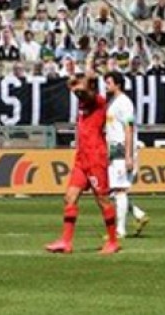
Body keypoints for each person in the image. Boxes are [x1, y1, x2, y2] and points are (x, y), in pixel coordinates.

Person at [46, 75, 120, 254]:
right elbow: (76, 88)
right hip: (82, 158)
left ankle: (113, 241)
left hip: (95, 158)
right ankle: (65, 242)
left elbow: (83, 89)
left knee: (103, 200)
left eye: (81, 86)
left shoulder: (98, 101)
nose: (77, 91)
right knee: (70, 197)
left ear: (92, 88)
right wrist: (74, 82)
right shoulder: (82, 102)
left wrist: (79, 82)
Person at [102, 72, 149, 239]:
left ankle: (120, 230)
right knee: (113, 190)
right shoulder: (112, 103)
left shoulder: (125, 103)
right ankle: (138, 214)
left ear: (118, 84)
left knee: (119, 190)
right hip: (114, 149)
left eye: (108, 82)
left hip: (122, 149)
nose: (106, 86)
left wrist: (129, 155)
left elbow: (129, 128)